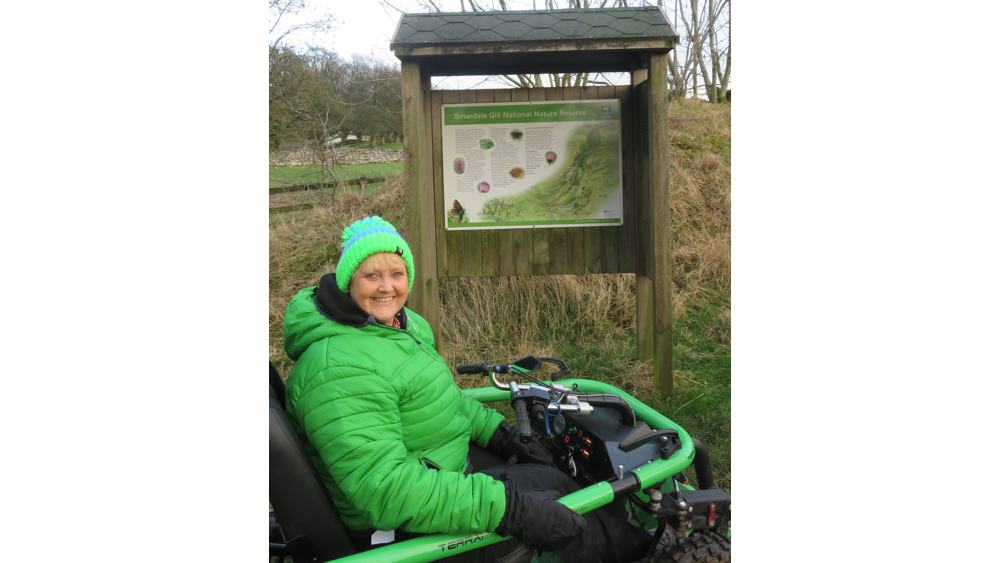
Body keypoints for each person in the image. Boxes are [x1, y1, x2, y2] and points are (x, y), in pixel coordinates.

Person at [283, 216, 649, 562]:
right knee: (564, 493)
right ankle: (649, 551)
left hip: (438, 466)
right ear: (348, 281)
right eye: (371, 276)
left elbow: (441, 400)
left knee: (556, 468)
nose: (386, 286)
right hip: (397, 527)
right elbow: (385, 491)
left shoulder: (395, 327)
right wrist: (511, 509)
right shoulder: (337, 368)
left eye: (397, 273)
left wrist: (501, 434)